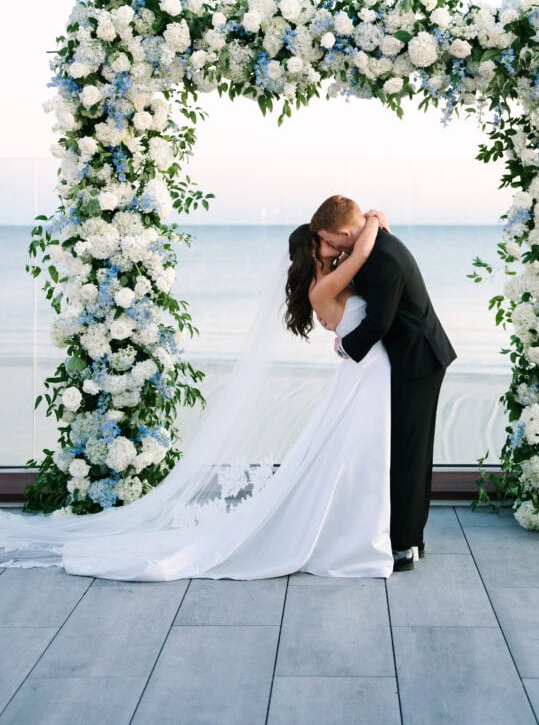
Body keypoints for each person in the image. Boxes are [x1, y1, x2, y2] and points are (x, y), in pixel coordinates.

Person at [0, 212, 395, 580]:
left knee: (353, 454)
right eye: (324, 243)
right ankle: (351, 539)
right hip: (362, 372)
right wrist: (373, 219)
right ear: (313, 252)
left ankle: (352, 529)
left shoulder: (330, 278)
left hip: (362, 371)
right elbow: (361, 252)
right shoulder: (326, 284)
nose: (333, 245)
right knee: (353, 452)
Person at [311, 195, 457, 572]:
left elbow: (380, 322)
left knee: (409, 452)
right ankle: (408, 536)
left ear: (346, 232)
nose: (332, 247)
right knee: (404, 449)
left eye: (331, 239)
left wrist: (345, 347)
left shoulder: (383, 256)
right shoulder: (370, 245)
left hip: (418, 360)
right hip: (408, 358)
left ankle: (405, 544)